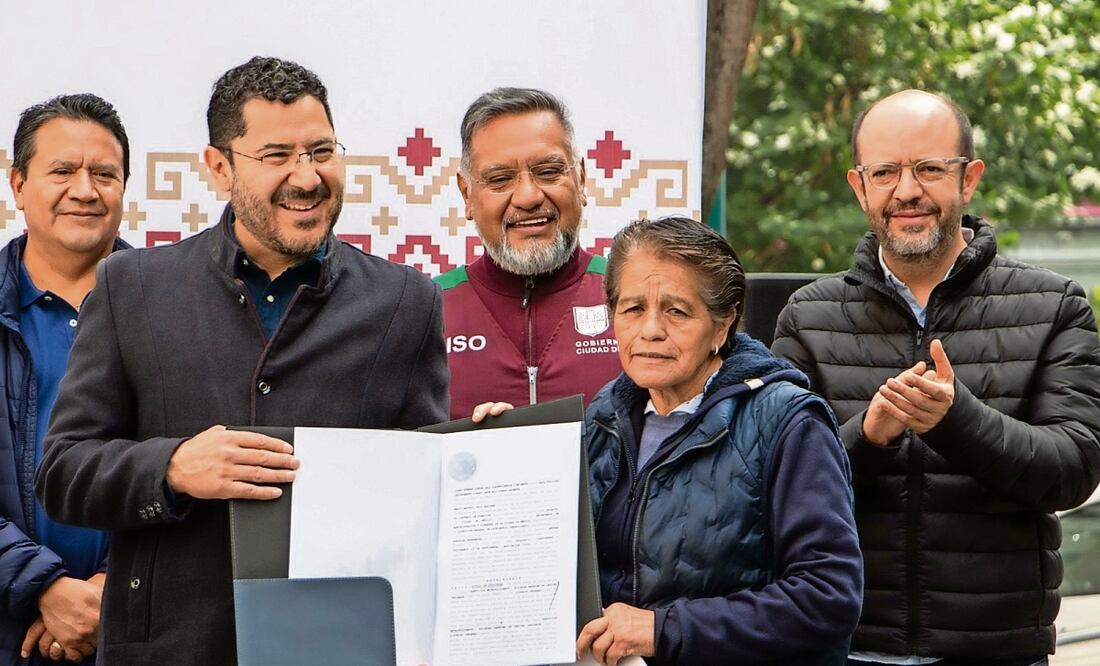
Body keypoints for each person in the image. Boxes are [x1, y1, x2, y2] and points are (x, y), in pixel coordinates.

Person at [33, 57, 448, 664]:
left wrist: (472, 452)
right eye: (276, 156)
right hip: (171, 648)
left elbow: (425, 493)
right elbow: (63, 474)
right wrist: (171, 467)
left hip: (338, 644)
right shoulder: (133, 286)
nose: (306, 178)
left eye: (322, 151)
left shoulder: (406, 301)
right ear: (219, 167)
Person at [772, 90, 1100, 665]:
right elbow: (773, 490)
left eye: (928, 169)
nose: (906, 191)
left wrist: (958, 420)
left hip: (997, 650)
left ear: (968, 179)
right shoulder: (807, 317)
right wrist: (866, 436)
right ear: (859, 187)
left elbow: (1074, 471)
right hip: (846, 646)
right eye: (885, 172)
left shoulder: (1054, 305)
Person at [477, 216, 863, 665]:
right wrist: (497, 460)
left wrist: (662, 629)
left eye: (677, 311)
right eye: (633, 308)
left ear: (723, 325)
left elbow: (828, 597)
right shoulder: (601, 420)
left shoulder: (788, 423)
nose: (651, 330)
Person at [0, 93, 132, 665]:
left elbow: (194, 466)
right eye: (63, 171)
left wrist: (110, 589)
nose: (85, 189)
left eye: (104, 173)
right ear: (18, 183)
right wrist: (44, 587)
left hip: (135, 627)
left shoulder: (177, 314)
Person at [435, 87, 621, 420]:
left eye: (549, 171)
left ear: (580, 179)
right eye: (500, 179)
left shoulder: (631, 296)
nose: (528, 197)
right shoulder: (425, 310)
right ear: (467, 194)